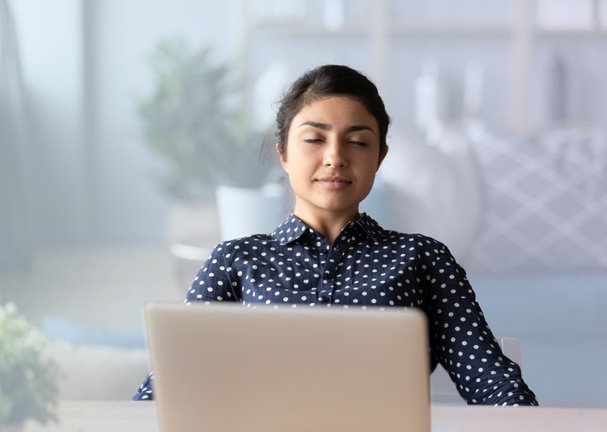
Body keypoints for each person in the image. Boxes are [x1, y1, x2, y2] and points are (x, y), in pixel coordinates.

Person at [133, 64, 537, 406]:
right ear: (284, 154)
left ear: (379, 158)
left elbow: (493, 383)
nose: (335, 157)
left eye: (358, 141)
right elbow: (165, 389)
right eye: (314, 139)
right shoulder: (236, 259)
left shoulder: (422, 258)